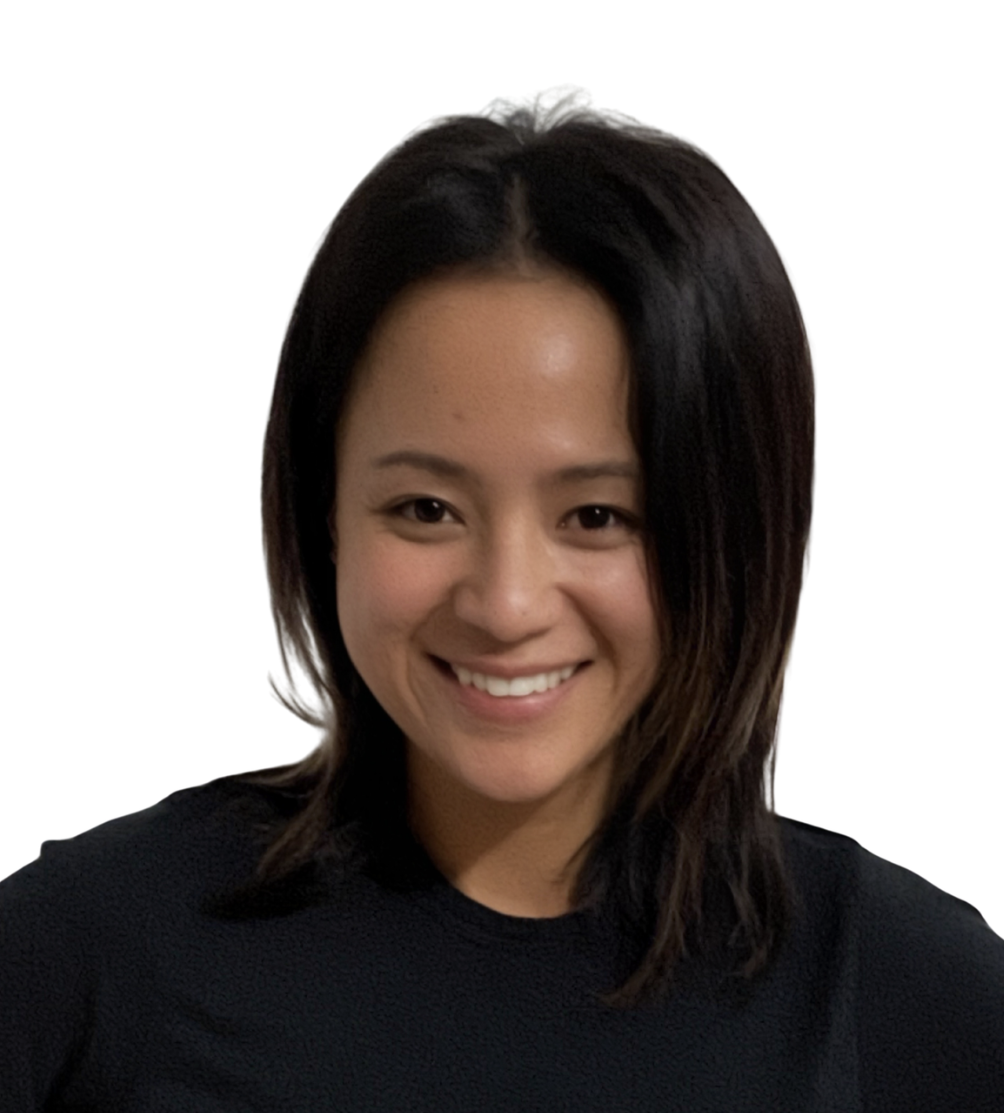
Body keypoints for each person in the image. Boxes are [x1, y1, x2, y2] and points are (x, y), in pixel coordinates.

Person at [2, 93, 1002, 1111]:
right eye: (426, 507)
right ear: (321, 511)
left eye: (599, 515)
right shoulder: (87, 958)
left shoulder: (907, 1000)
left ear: (734, 532)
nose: (505, 601)